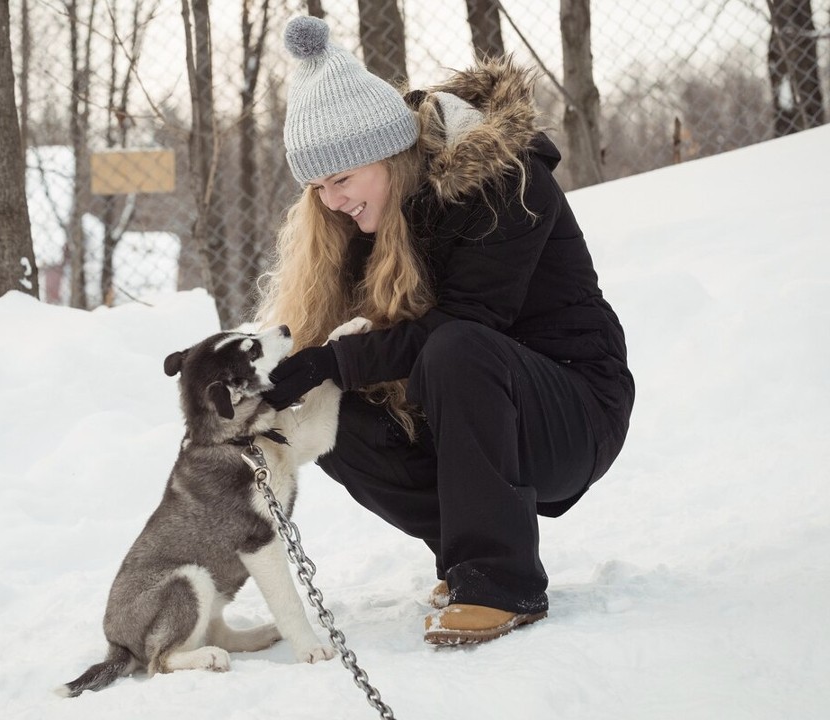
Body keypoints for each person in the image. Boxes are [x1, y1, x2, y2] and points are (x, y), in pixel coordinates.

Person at [256, 16, 634, 646]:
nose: (332, 200)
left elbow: (463, 326)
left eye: (342, 178)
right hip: (478, 403)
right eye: (318, 186)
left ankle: (500, 580)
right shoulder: (363, 220)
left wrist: (335, 360)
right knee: (329, 411)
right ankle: (465, 554)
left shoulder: (505, 183)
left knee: (457, 348)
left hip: (575, 409)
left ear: (389, 153)